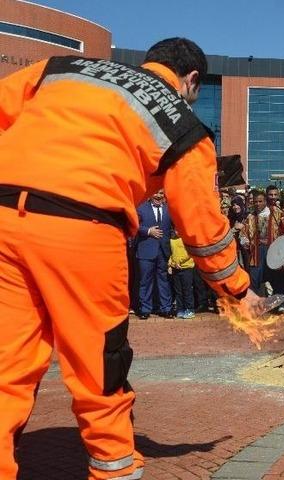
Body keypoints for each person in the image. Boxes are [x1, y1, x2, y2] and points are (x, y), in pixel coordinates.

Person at [0, 38, 260, 480]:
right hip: (84, 230)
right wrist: (237, 289)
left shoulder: (59, 67)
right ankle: (114, 471)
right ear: (191, 80)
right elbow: (201, 226)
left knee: (6, 363)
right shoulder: (184, 125)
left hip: (4, 216)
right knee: (101, 368)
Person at [135, 190, 174, 319]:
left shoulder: (169, 209)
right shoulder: (141, 208)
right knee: (145, 281)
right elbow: (134, 224)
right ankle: (145, 309)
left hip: (163, 251)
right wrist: (148, 231)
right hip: (146, 250)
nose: (158, 195)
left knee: (164, 280)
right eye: (156, 193)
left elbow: (174, 227)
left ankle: (166, 308)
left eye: (161, 194)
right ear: (150, 195)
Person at [168, 228, 196, 319]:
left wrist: (179, 262)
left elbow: (189, 253)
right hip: (176, 269)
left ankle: (190, 309)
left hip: (187, 268)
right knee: (178, 290)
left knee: (187, 290)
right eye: (176, 229)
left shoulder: (187, 239)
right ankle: (180, 309)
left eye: (179, 229)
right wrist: (170, 264)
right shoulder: (172, 240)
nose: (177, 231)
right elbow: (172, 254)